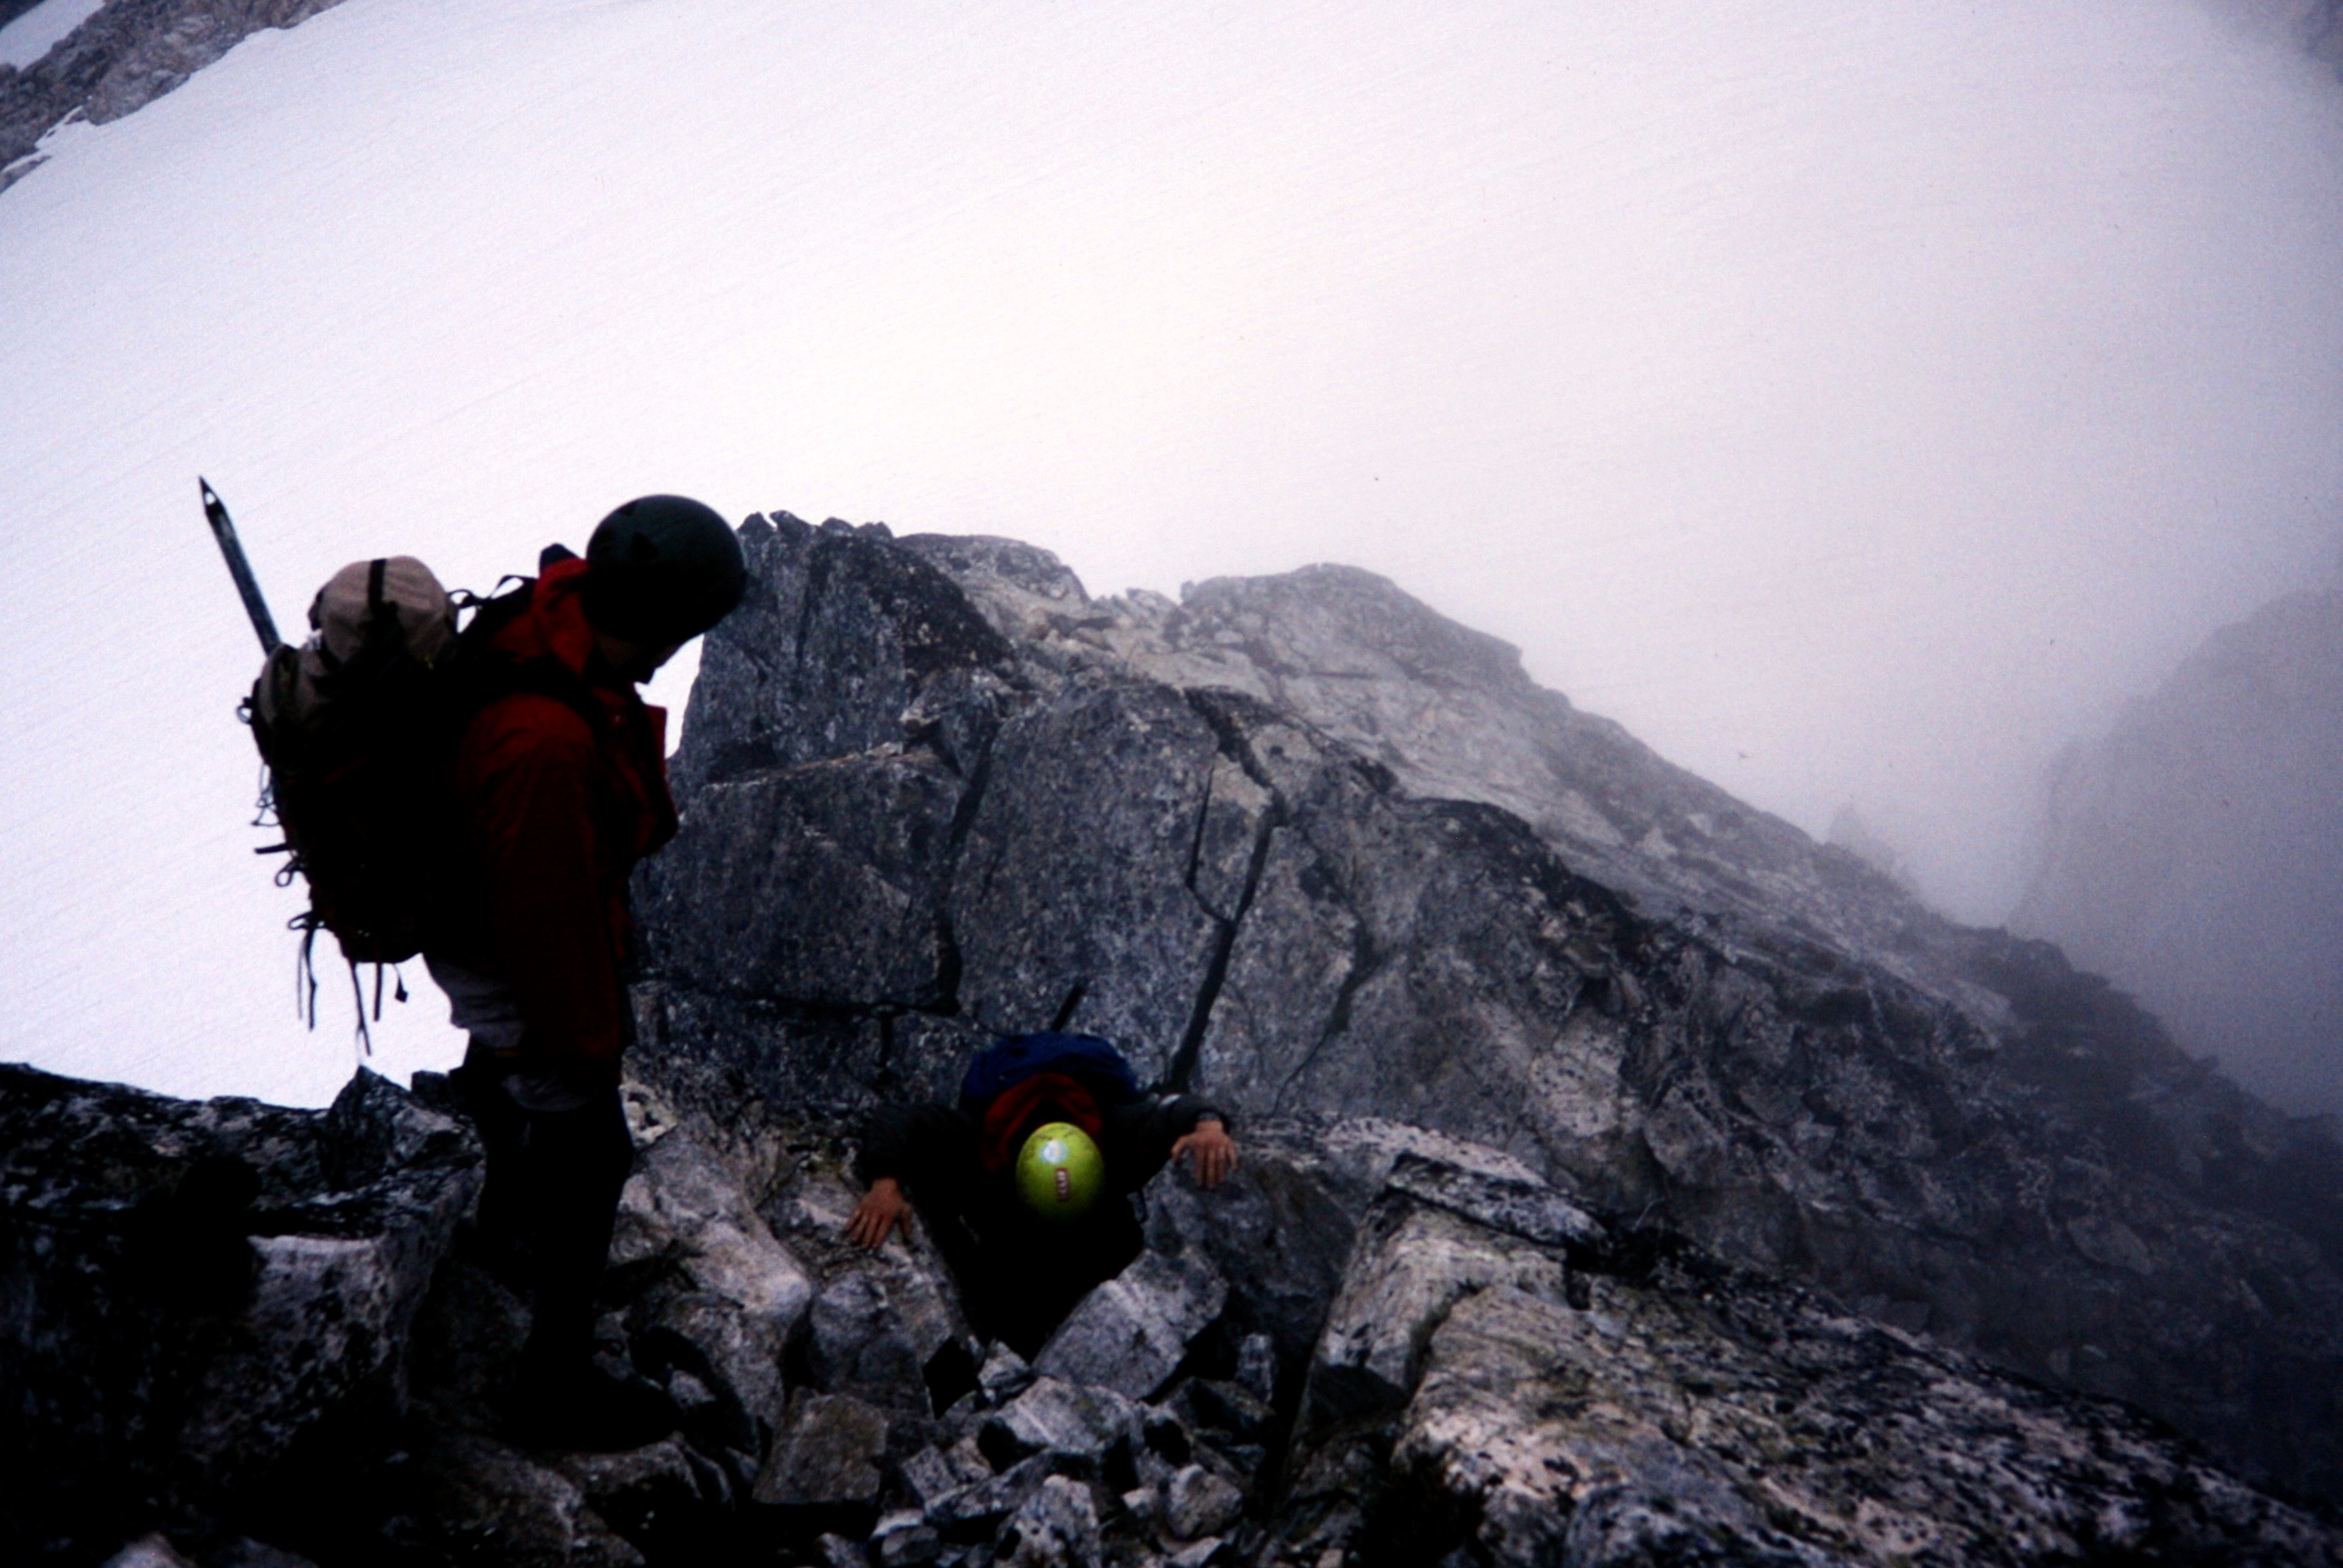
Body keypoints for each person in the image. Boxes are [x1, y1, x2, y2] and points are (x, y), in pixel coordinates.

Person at [423, 494, 746, 1449]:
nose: (681, 650)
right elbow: (546, 933)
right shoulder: (544, 746)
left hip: (490, 917)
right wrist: (591, 1050)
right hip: (499, 942)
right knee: (591, 1147)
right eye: (682, 630)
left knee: (515, 1084)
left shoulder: (555, 623)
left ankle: (501, 1217)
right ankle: (551, 1386)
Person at [847, 1032, 1238, 1357]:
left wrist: (1209, 1126)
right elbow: (900, 1119)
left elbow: (1173, 1111)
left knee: (1116, 1255)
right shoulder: (983, 1141)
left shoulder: (1116, 1130)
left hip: (1098, 1220)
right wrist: (886, 1182)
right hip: (1015, 1229)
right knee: (1009, 1292)